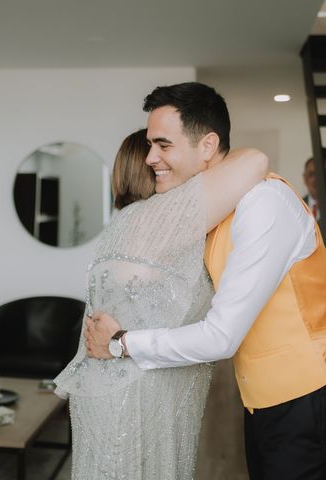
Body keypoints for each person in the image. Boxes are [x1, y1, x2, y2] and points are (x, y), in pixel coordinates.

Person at [85, 82, 326, 480]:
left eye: (163, 145)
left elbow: (222, 336)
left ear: (207, 145)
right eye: (150, 145)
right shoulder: (213, 210)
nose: (150, 158)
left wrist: (122, 342)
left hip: (313, 393)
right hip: (263, 400)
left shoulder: (264, 203)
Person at [53, 124, 268, 479]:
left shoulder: (125, 223)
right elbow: (254, 160)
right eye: (157, 156)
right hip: (134, 398)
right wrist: (206, 158)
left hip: (111, 389)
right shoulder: (159, 218)